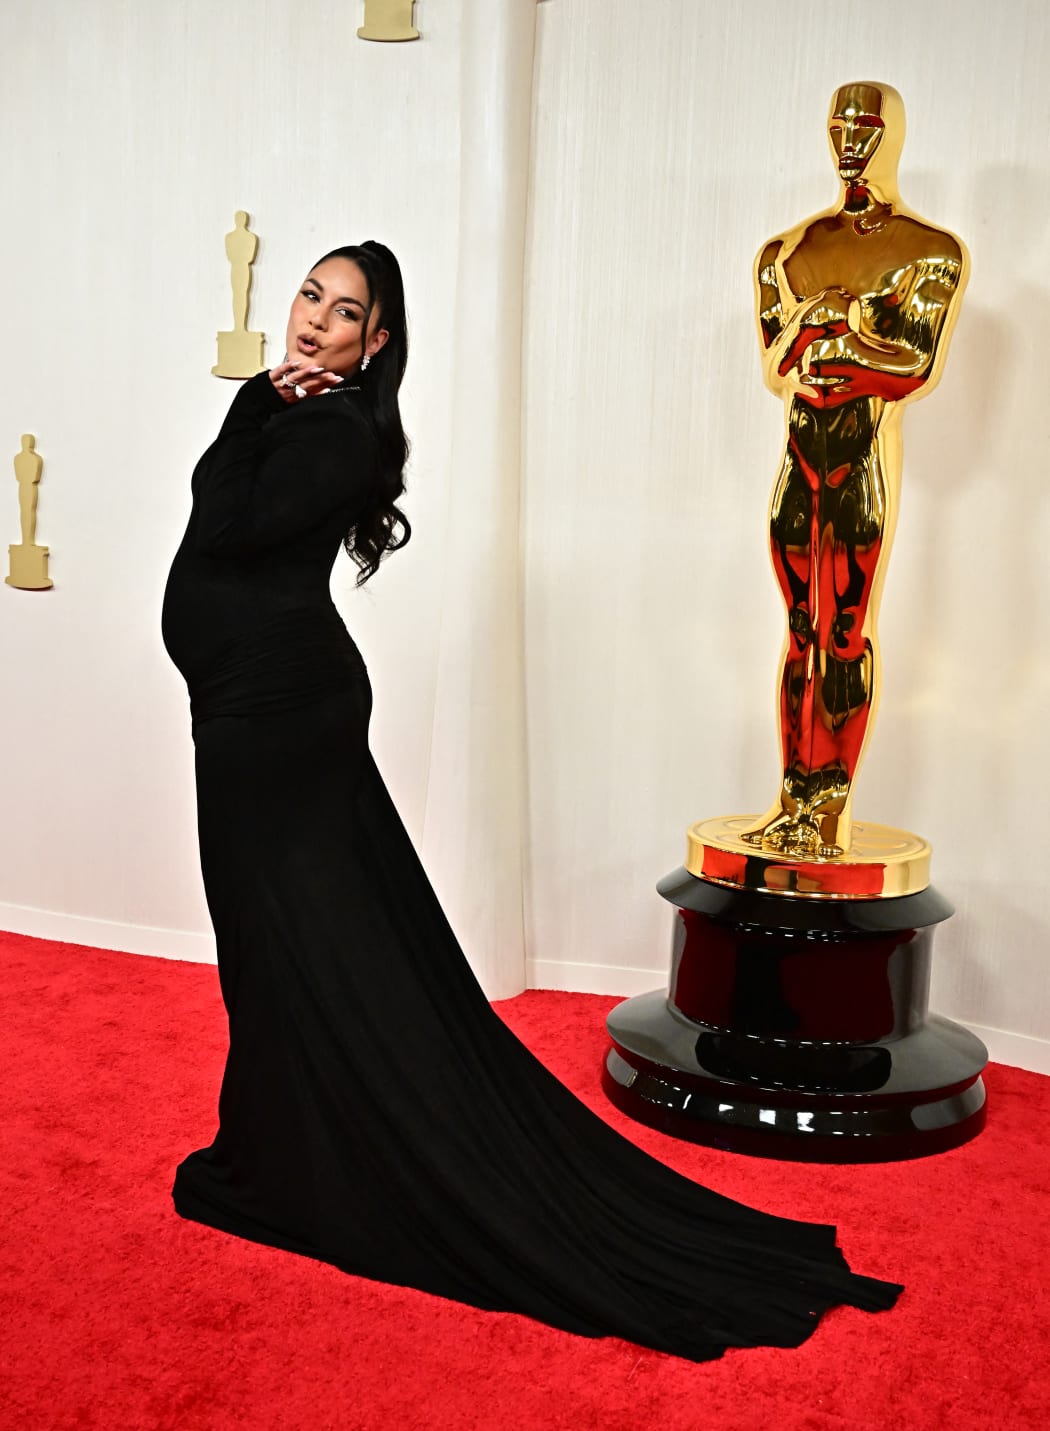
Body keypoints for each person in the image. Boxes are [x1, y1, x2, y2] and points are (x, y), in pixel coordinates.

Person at [162, 241, 901, 1362]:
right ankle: (282, 1145)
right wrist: (257, 408)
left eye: (343, 310)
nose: (313, 320)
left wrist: (251, 410)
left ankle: (300, 1158)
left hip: (277, 722)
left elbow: (220, 520)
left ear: (377, 343)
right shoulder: (302, 421)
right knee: (281, 946)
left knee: (295, 944)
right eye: (309, 296)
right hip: (253, 711)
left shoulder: (330, 431)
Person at [742, 82, 967, 859]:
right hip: (800, 460)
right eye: (841, 123)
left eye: (867, 125)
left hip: (863, 458)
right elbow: (778, 365)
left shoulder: (927, 252)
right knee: (798, 629)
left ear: (892, 134)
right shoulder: (788, 251)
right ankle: (792, 800)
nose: (851, 137)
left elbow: (916, 364)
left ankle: (828, 809)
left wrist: (847, 332)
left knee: (842, 630)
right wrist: (819, 322)